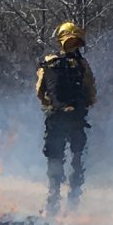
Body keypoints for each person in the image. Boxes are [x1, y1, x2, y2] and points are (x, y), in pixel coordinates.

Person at [35, 20, 96, 214]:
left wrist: (51, 107)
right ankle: (74, 199)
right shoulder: (82, 64)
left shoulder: (49, 63)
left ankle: (54, 198)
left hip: (56, 119)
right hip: (77, 118)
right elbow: (91, 92)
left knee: (55, 158)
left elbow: (40, 92)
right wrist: (81, 106)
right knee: (77, 157)